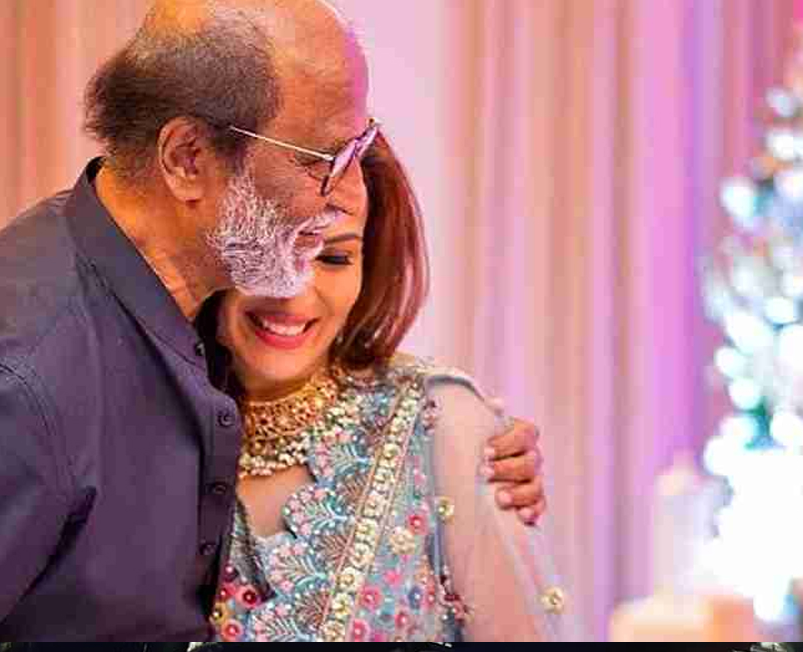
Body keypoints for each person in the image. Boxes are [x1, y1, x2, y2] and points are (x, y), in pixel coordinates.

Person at [0, 0, 549, 642]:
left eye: (360, 149)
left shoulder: (182, 314)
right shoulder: (12, 385)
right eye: (322, 160)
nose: (349, 194)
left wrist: (463, 453)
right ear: (188, 159)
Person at [194, 132, 577, 641]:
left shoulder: (435, 423)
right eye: (270, 248)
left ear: (369, 265)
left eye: (334, 259)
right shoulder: (142, 421)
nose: (294, 291)